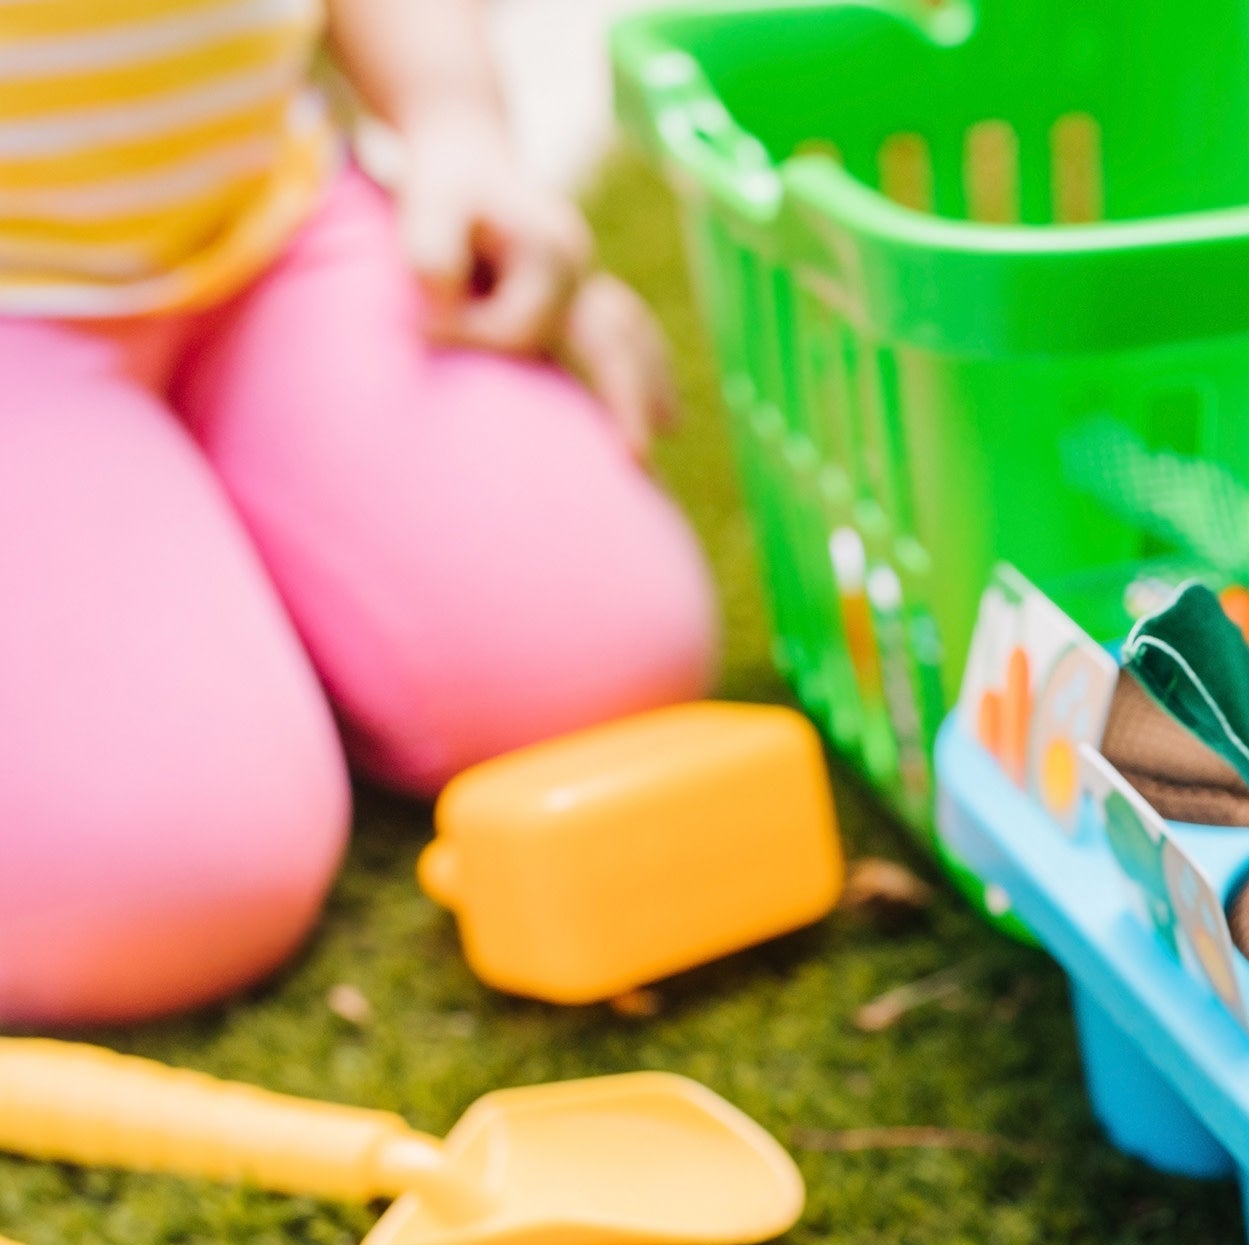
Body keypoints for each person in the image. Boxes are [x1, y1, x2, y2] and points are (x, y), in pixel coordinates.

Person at [0, 0, 718, 1027]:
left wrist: (453, 127)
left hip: (269, 230)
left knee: (604, 660)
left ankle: (200, 518)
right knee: (149, 880)